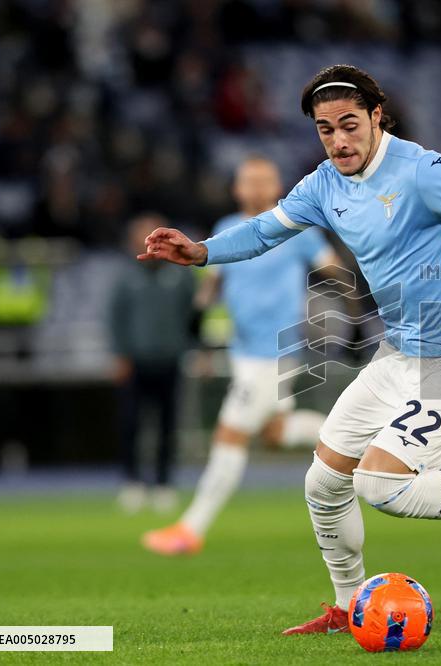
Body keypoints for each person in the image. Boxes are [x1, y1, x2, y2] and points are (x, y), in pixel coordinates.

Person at [138, 65, 441, 634]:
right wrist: (201, 253)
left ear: (375, 117)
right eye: (325, 129)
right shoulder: (323, 185)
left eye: (348, 125)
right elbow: (267, 230)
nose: (339, 140)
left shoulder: (421, 170)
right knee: (322, 483)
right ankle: (347, 607)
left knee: (379, 484)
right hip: (400, 355)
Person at [142, 156, 340, 555]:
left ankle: (190, 529)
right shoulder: (224, 228)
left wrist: (361, 293)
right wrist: (197, 320)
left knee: (229, 434)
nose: (255, 187)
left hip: (277, 350)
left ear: (277, 185)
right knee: (275, 432)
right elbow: (212, 279)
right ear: (237, 188)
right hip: (243, 348)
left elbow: (331, 267)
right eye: (248, 180)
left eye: (263, 180)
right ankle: (353, 438)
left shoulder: (295, 226)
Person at [110, 213, 197, 513]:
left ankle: (163, 484)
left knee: (167, 426)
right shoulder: (126, 275)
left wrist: (195, 349)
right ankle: (132, 482)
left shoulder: (181, 274)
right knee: (131, 424)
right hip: (135, 361)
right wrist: (119, 354)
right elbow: (115, 318)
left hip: (171, 359)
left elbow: (193, 316)